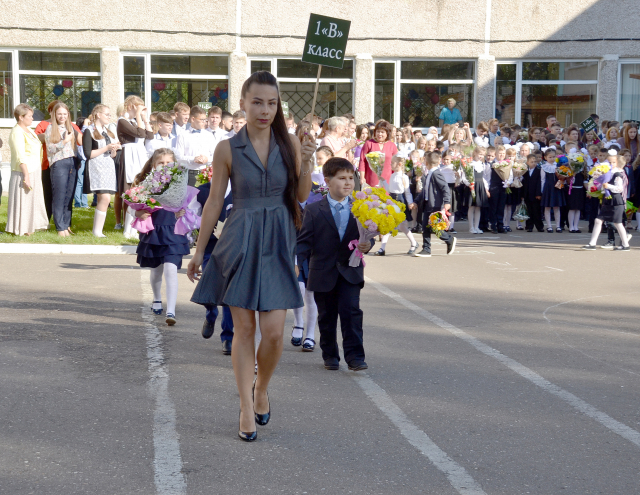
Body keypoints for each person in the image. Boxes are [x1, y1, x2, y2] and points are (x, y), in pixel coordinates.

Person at [187, 71, 316, 442]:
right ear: (242, 103)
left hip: (278, 237)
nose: (265, 110)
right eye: (257, 102)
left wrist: (306, 161)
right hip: (239, 238)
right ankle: (245, 404)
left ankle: (262, 389)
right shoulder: (227, 148)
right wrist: (198, 249)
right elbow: (214, 200)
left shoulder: (291, 142)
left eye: (272, 103)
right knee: (244, 329)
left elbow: (302, 196)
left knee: (274, 333)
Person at [296, 157, 373, 371]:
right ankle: (330, 354)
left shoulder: (361, 208)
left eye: (351, 178)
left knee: (351, 313)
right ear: (328, 181)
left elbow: (368, 234)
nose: (348, 183)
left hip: (350, 270)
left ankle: (355, 356)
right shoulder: (313, 209)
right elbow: (304, 242)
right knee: (327, 316)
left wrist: (368, 244)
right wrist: (295, 263)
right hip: (322, 272)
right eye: (342, 178)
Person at [134, 149, 191, 325]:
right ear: (154, 165)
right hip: (155, 231)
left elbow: (191, 204)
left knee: (171, 269)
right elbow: (133, 205)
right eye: (161, 163)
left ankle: (171, 311)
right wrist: (140, 212)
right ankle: (157, 298)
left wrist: (184, 211)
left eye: (169, 163)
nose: (165, 166)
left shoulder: (180, 182)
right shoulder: (146, 183)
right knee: (157, 270)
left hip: (174, 231)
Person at [196, 171, 235, 354]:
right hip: (211, 248)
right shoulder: (202, 192)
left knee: (229, 293)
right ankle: (211, 313)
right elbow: (193, 218)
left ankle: (228, 337)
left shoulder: (241, 191)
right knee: (210, 287)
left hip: (234, 248)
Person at [6, 104, 49, 236]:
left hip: (34, 169)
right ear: (21, 117)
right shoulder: (17, 132)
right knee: (24, 200)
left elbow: (37, 141)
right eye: (29, 116)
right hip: (23, 171)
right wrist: (26, 176)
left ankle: (30, 227)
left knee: (32, 200)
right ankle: (21, 228)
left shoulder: (28, 130)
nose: (32, 118)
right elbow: (20, 156)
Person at [118, 95, 154, 238]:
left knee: (139, 191)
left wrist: (145, 119)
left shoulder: (134, 121)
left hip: (139, 154)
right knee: (130, 191)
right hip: (130, 156)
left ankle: (135, 227)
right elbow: (139, 133)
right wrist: (139, 115)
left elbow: (149, 135)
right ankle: (128, 229)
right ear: (131, 106)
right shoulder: (122, 121)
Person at [409, 151, 457, 257]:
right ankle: (426, 249)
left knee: (435, 228)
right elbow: (424, 191)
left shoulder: (436, 173)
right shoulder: (429, 173)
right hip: (428, 204)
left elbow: (445, 187)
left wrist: (447, 202)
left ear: (426, 162)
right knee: (426, 227)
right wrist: (416, 201)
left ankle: (449, 239)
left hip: (435, 204)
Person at [82, 104, 120, 237]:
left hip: (108, 166)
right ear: (98, 114)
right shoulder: (89, 131)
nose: (109, 117)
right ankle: (97, 231)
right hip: (96, 166)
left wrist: (113, 150)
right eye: (107, 114)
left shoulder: (108, 132)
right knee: (104, 197)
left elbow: (111, 155)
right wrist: (106, 148)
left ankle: (98, 230)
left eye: (110, 115)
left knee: (106, 198)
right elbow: (88, 154)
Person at [44, 102, 80, 237]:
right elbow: (51, 149)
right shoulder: (50, 128)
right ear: (54, 114)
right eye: (59, 114)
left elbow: (75, 147)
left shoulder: (70, 127)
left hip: (72, 162)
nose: (62, 116)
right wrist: (64, 141)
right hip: (59, 163)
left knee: (68, 196)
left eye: (65, 114)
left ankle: (66, 225)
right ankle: (60, 227)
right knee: (59, 196)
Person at [582, 152, 630, 251]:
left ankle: (625, 244)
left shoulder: (617, 174)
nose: (611, 164)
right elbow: (597, 181)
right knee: (598, 220)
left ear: (617, 163)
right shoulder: (606, 172)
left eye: (613, 162)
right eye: (609, 162)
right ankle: (592, 243)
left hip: (616, 201)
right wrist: (596, 187)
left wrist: (608, 186)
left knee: (618, 223)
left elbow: (619, 189)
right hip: (607, 200)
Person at [372, 155, 418, 256]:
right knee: (396, 225)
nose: (390, 164)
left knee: (396, 225)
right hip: (392, 200)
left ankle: (413, 243)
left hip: (400, 201)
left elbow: (407, 192)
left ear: (399, 164)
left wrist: (410, 203)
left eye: (393, 163)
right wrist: (383, 181)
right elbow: (390, 190)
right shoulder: (393, 176)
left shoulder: (403, 177)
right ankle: (413, 243)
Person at [174, 105, 217, 186]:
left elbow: (215, 155)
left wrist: (206, 159)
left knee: (206, 197)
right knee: (191, 198)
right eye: (202, 120)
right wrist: (193, 159)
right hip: (190, 173)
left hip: (206, 172)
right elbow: (178, 157)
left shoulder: (209, 135)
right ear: (193, 119)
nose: (204, 122)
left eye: (205, 119)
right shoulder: (183, 135)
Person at [358, 120, 398, 187]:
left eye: (382, 132)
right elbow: (362, 161)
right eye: (378, 131)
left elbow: (395, 163)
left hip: (388, 178)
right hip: (371, 178)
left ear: (387, 133)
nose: (379, 134)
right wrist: (362, 178)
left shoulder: (392, 145)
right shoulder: (369, 143)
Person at [461, 147, 489, 234]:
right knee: (471, 207)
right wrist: (468, 184)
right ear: (475, 153)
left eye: (482, 155)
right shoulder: (470, 164)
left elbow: (484, 178)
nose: (481, 156)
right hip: (472, 186)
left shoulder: (482, 164)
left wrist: (486, 188)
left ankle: (477, 227)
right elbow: (465, 176)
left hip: (480, 186)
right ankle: (471, 227)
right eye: (480, 154)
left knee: (478, 207)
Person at [540, 147, 565, 232]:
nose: (552, 159)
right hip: (548, 189)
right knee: (547, 207)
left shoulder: (558, 166)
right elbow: (542, 180)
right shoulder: (543, 167)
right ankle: (549, 226)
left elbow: (562, 178)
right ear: (545, 157)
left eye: (554, 157)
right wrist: (542, 191)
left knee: (556, 207)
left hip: (557, 188)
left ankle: (558, 226)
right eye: (550, 157)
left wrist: (562, 182)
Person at [521, 153, 544, 232]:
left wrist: (538, 193)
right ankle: (529, 226)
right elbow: (523, 184)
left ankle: (539, 226)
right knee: (529, 211)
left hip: (535, 195)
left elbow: (539, 183)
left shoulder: (538, 171)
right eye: (531, 162)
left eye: (535, 162)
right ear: (527, 162)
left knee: (536, 211)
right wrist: (522, 194)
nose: (533, 163)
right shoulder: (525, 172)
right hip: (527, 194)